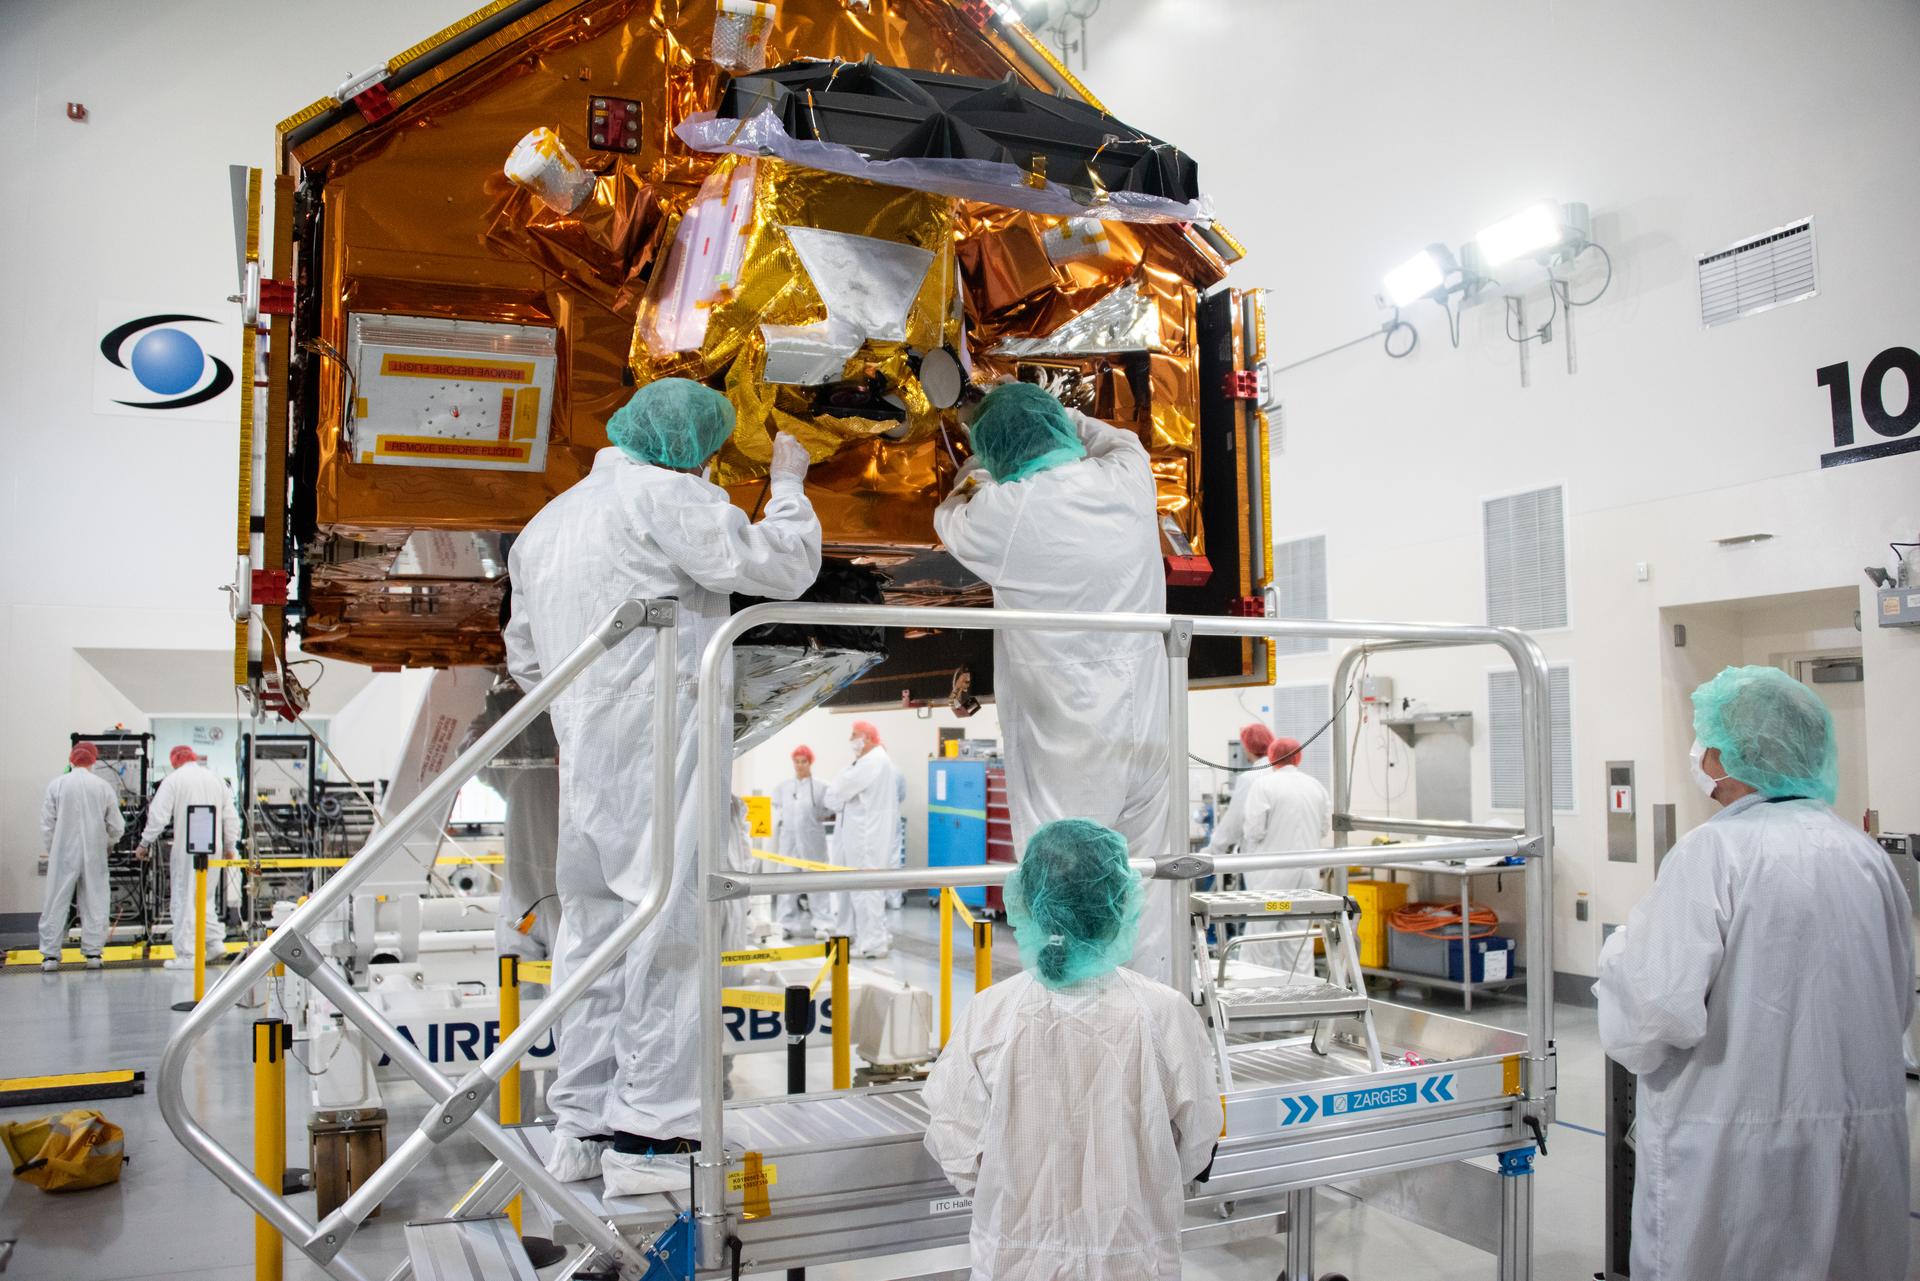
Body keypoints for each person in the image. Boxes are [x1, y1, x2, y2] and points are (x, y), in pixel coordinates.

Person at [504, 377, 821, 1193]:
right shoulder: (665, 496)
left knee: (594, 937)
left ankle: (579, 1124)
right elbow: (781, 565)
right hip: (662, 748)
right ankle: (652, 1136)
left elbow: (528, 660)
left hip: (589, 764)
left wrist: (594, 698)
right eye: (712, 454)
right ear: (690, 447)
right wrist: (786, 485)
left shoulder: (543, 528)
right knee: (671, 929)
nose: (712, 466)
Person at [1594, 665, 1912, 1281]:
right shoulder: (1863, 855)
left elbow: (1650, 1020)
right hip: (1859, 1141)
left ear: (1730, 755)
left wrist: (1619, 957)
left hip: (1734, 1153)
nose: (1700, 752)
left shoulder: (1715, 853)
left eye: (1705, 737)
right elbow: (1896, 1004)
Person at [934, 383, 1173, 981]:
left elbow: (949, 517)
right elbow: (1116, 438)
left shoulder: (1006, 514)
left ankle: (1068, 1037)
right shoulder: (1128, 477)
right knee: (1147, 890)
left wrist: (974, 461)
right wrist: (1050, 411)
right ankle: (1153, 1027)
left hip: (1070, 739)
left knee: (1063, 886)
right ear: (1061, 427)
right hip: (1148, 725)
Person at [925, 819, 1220, 1281]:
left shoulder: (991, 1013)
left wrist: (1019, 1196)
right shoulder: (1163, 1013)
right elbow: (1197, 1141)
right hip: (1132, 1258)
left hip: (1015, 1261)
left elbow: (956, 1145)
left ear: (1027, 901)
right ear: (1119, 902)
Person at [469, 677, 561, 961]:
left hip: (526, 902)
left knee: (519, 989)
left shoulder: (512, 773)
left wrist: (494, 707)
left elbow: (470, 749)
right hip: (548, 900)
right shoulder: (523, 772)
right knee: (567, 988)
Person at [135, 745, 241, 971]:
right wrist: (230, 845)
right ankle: (214, 944)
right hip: (213, 849)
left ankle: (187, 955)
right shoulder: (215, 779)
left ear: (174, 760)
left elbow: (158, 816)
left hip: (187, 850)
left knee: (184, 898)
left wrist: (144, 843)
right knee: (205, 897)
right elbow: (230, 817)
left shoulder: (174, 780)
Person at [1235, 737, 1332, 976]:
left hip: (1273, 882)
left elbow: (1253, 831)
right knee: (1298, 941)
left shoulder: (1264, 785)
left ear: (1272, 758)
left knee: (1262, 938)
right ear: (1298, 757)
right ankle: (1301, 1002)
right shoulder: (1316, 786)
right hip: (1305, 878)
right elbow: (1323, 828)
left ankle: (1259, 997)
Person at [38, 744, 126, 971]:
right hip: (95, 853)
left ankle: (50, 956)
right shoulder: (102, 786)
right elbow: (117, 826)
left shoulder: (57, 785)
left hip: (63, 851)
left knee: (56, 900)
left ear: (71, 758)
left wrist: (54, 848)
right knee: (95, 900)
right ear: (94, 760)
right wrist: (107, 844)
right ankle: (93, 954)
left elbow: (47, 825)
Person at [822, 721, 900, 958]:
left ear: (867, 738)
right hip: (866, 833)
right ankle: (872, 936)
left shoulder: (871, 761)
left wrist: (839, 790)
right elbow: (836, 796)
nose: (851, 739)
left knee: (865, 889)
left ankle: (872, 942)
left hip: (866, 835)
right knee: (867, 888)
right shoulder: (876, 761)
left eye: (854, 735)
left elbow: (836, 793)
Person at [770, 745, 828, 939]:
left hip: (812, 839)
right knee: (787, 882)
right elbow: (777, 809)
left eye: (803, 761)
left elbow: (827, 810)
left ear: (810, 762)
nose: (800, 765)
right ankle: (785, 924)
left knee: (817, 882)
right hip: (789, 841)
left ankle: (822, 923)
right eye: (796, 761)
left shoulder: (821, 786)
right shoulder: (783, 787)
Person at [1202, 723, 1274, 858]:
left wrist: (1211, 852)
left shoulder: (1249, 779)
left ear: (1247, 748)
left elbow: (1233, 824)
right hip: (1296, 861)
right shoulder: (1284, 773)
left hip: (1262, 863)